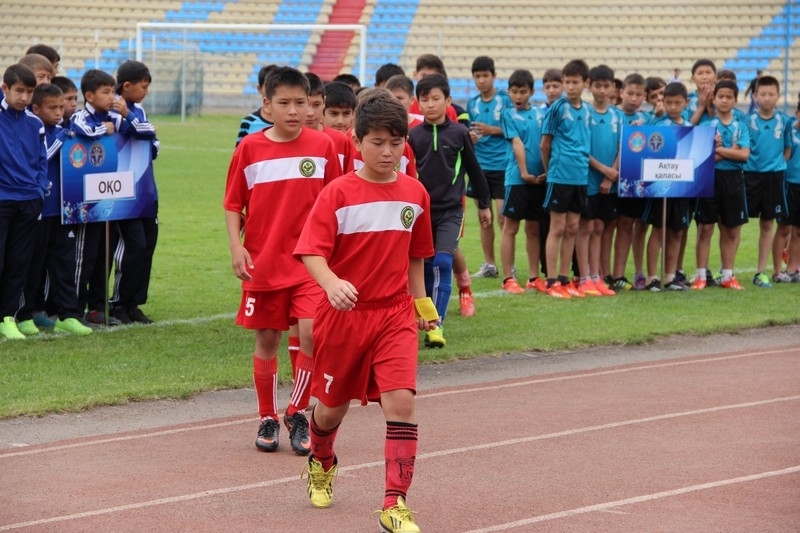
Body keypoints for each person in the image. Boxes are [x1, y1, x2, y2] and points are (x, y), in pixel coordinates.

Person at [295, 88, 435, 533]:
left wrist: (422, 305)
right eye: (377, 142)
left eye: (396, 142)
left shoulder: (415, 194)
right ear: (356, 141)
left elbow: (416, 256)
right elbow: (311, 251)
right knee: (330, 410)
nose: (388, 151)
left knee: (401, 403)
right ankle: (322, 460)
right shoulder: (337, 194)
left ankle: (394, 504)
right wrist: (332, 283)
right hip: (344, 318)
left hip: (394, 315)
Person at [223, 66, 341, 455]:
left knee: (311, 333)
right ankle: (267, 416)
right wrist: (236, 247)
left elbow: (337, 202)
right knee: (268, 339)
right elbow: (233, 203)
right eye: (284, 103)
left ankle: (296, 411)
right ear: (267, 105)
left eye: (301, 102)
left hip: (310, 262)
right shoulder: (250, 148)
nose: (294, 111)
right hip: (264, 263)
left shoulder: (322, 146)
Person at [407, 74, 491, 347]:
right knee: (425, 268)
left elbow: (475, 171)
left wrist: (484, 204)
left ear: (448, 101)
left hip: (451, 212)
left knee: (443, 262)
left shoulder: (459, 134)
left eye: (436, 99)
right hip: (421, 214)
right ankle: (422, 319)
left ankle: (436, 326)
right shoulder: (413, 137)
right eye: (425, 99)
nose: (430, 104)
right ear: (417, 102)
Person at [20, 84, 92, 335]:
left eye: (62, 107)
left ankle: (67, 314)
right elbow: (40, 159)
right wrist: (61, 139)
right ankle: (25, 314)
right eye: (53, 108)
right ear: (36, 108)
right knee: (33, 266)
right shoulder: (34, 132)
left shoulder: (64, 131)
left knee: (64, 265)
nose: (59, 112)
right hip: (40, 210)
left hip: (64, 210)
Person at [70, 69, 127, 326]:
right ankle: (74, 309)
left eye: (113, 91)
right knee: (85, 256)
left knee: (105, 255)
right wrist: (105, 129)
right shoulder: (81, 116)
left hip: (108, 197)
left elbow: (141, 132)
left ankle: (97, 306)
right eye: (106, 92)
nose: (111, 97)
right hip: (84, 199)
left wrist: (126, 115)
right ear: (89, 96)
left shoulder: (114, 115)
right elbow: (82, 131)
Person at [107, 60, 160, 324]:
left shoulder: (137, 110)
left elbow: (153, 141)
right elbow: (135, 135)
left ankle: (133, 303)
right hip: (122, 191)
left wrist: (138, 127)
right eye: (143, 87)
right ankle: (118, 302)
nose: (146, 92)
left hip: (146, 189)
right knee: (132, 246)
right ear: (126, 85)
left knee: (147, 246)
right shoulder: (113, 109)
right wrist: (131, 121)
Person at [0, 64, 49, 340]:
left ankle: (8, 317)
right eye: (19, 91)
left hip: (29, 201)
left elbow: (42, 161)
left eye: (29, 92)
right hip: (2, 200)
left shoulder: (35, 123)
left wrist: (39, 190)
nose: (24, 97)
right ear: (5, 88)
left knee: (19, 262)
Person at [540, 59, 592, 299]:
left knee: (572, 228)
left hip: (580, 176)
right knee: (557, 228)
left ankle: (564, 278)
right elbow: (545, 144)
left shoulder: (587, 110)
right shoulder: (557, 108)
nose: (571, 87)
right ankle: (551, 281)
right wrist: (549, 171)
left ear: (585, 83)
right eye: (567, 82)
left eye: (575, 82)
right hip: (560, 175)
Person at [692, 80, 750, 290]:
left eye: (729, 97)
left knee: (730, 229)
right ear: (714, 99)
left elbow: (744, 155)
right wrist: (731, 150)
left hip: (733, 179)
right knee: (705, 228)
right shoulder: (706, 126)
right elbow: (702, 159)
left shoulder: (741, 126)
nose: (724, 100)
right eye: (721, 96)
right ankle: (701, 276)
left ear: (735, 100)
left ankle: (727, 276)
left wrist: (718, 150)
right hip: (709, 178)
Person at [498, 69, 546, 294]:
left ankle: (534, 277)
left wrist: (546, 171)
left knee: (534, 227)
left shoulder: (540, 114)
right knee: (511, 227)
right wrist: (525, 172)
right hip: (517, 179)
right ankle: (508, 278)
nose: (518, 96)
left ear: (531, 92)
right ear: (509, 92)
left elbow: (545, 144)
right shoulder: (508, 114)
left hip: (539, 179)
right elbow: (517, 143)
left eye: (523, 92)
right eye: (514, 91)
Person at [742, 75, 792, 287]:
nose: (767, 98)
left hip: (774, 178)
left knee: (767, 224)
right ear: (755, 96)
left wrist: (777, 165)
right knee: (735, 224)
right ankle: (726, 271)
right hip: (750, 176)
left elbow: (787, 149)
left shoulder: (784, 121)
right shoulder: (747, 121)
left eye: (771, 94)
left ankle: (761, 272)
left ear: (778, 96)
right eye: (763, 94)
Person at [643, 82, 693, 291]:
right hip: (660, 187)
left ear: (686, 103)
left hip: (681, 188)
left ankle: (670, 276)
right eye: (669, 102)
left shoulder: (690, 127)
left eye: (677, 103)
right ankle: (652, 277)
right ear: (663, 102)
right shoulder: (658, 124)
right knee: (658, 229)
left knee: (677, 231)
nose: (672, 107)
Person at [467, 56, 513, 280]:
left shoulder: (505, 100)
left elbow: (515, 127)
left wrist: (491, 130)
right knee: (485, 219)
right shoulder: (472, 103)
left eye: (485, 76)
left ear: (494, 76)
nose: (482, 80)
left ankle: (508, 265)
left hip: (503, 165)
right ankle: (490, 265)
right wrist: (471, 137)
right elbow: (469, 130)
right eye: (477, 76)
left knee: (504, 217)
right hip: (480, 167)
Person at [580, 64, 619, 296]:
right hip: (588, 180)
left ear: (613, 87)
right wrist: (604, 171)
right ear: (589, 86)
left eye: (606, 86)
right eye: (597, 86)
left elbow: (623, 147)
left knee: (600, 227)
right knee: (586, 227)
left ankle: (596, 276)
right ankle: (583, 276)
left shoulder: (617, 115)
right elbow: (581, 149)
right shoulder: (584, 113)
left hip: (609, 181)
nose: (602, 91)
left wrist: (611, 174)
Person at [611, 73, 650, 291]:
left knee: (626, 225)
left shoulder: (646, 120)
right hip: (608, 179)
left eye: (638, 94)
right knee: (605, 226)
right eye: (630, 93)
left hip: (632, 181)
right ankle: (600, 274)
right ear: (621, 92)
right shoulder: (611, 114)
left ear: (644, 96)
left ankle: (618, 274)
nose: (634, 98)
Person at [304, 72, 354, 174]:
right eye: (303, 103)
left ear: (324, 102)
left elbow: (348, 178)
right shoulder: (283, 140)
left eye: (316, 104)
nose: (310, 113)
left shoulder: (341, 140)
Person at [778, 101, 800, 281]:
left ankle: (792, 270)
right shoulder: (789, 131)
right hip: (789, 184)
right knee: (784, 228)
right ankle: (777, 271)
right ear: (797, 112)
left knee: (798, 231)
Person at [236, 64, 276, 147]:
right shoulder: (249, 122)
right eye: (268, 86)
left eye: (276, 87)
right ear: (259, 89)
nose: (272, 91)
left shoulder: (288, 122)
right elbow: (240, 152)